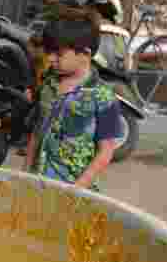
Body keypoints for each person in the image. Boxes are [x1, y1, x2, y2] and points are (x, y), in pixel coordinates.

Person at [24, 18, 120, 190]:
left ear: (86, 54)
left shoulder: (104, 97)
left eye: (59, 54)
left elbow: (106, 151)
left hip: (73, 190)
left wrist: (77, 189)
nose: (51, 59)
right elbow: (37, 131)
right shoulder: (48, 85)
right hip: (36, 184)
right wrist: (24, 174)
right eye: (49, 52)